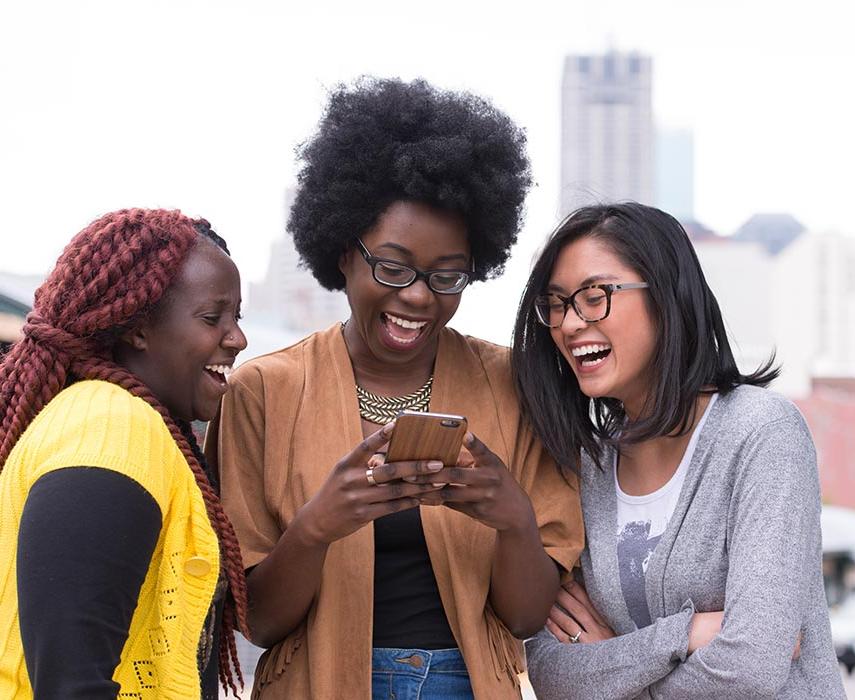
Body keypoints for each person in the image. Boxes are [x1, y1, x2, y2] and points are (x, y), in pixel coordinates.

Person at [207, 77, 583, 699]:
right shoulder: (261, 393)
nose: (416, 295)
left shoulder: (515, 385)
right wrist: (315, 528)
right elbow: (258, 622)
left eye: (447, 276)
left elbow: (524, 617)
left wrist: (514, 519)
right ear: (342, 254)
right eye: (392, 265)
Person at [512, 203, 847, 698]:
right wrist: (685, 635)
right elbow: (550, 670)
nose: (569, 323)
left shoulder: (761, 434)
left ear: (666, 296)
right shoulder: (587, 465)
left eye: (594, 295)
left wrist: (615, 664)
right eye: (558, 303)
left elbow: (752, 664)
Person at [0, 209, 250, 699]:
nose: (237, 337)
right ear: (136, 329)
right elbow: (72, 686)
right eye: (212, 317)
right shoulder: (110, 430)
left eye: (237, 317)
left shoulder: (128, 422)